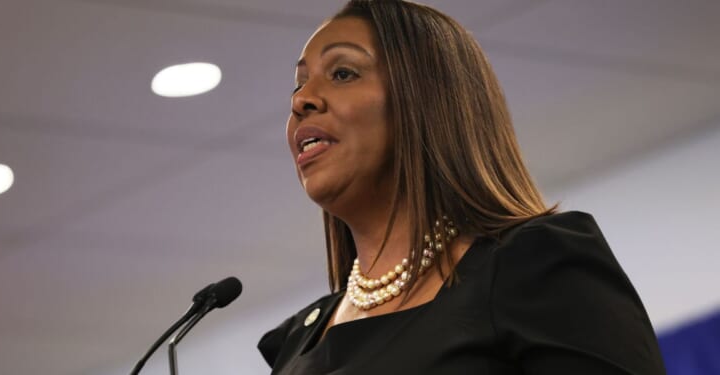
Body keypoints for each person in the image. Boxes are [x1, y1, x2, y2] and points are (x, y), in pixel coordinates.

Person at [258, 0, 666, 374]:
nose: (302, 100)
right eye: (299, 84)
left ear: (426, 97)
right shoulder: (297, 343)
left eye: (343, 73)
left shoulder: (532, 265)